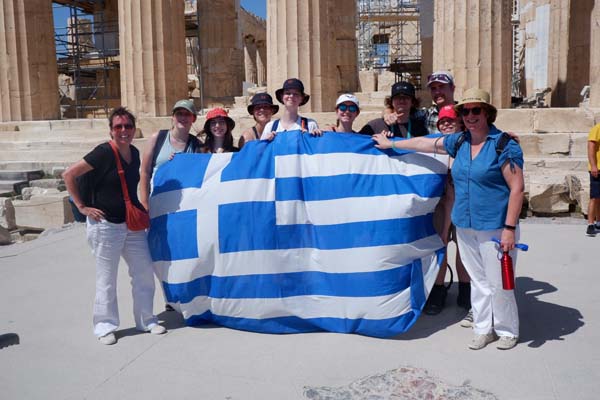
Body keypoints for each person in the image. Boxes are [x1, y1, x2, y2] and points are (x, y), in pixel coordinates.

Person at [372, 88, 525, 351]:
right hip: (466, 224)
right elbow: (426, 143)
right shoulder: (460, 142)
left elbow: (517, 188)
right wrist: (392, 144)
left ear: (487, 113)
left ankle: (507, 330)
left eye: (476, 110)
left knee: (499, 281)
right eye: (465, 111)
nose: (470, 115)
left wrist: (510, 229)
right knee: (478, 281)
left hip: (496, 226)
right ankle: (483, 328)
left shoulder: (503, 144)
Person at [62, 107, 167, 345]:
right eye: (118, 127)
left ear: (133, 128)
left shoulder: (135, 153)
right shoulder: (103, 152)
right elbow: (69, 174)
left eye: (127, 126)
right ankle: (104, 326)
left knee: (143, 273)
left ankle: (146, 320)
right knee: (106, 279)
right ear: (111, 130)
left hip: (131, 225)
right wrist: (81, 207)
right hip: (105, 225)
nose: (123, 131)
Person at [425, 105, 472, 326]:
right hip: (440, 205)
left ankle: (465, 290)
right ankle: (438, 290)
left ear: (460, 122)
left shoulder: (467, 145)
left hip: (463, 205)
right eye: (442, 120)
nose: (446, 124)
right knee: (439, 247)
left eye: (450, 120)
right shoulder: (434, 146)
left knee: (464, 249)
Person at [139, 99, 201, 211]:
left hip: (184, 204)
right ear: (173, 117)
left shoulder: (197, 145)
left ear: (194, 118)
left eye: (187, 114)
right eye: (179, 114)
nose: (183, 117)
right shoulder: (157, 138)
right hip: (157, 201)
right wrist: (144, 202)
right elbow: (145, 172)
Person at [359, 81, 428, 138]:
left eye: (406, 97)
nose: (401, 100)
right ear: (391, 102)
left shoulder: (419, 127)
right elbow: (356, 141)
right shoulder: (375, 125)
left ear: (413, 102)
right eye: (397, 97)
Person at [587, 123, 600, 236]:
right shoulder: (597, 128)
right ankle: (590, 224)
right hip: (598, 169)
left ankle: (598, 223)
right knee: (594, 197)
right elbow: (591, 147)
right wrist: (593, 166)